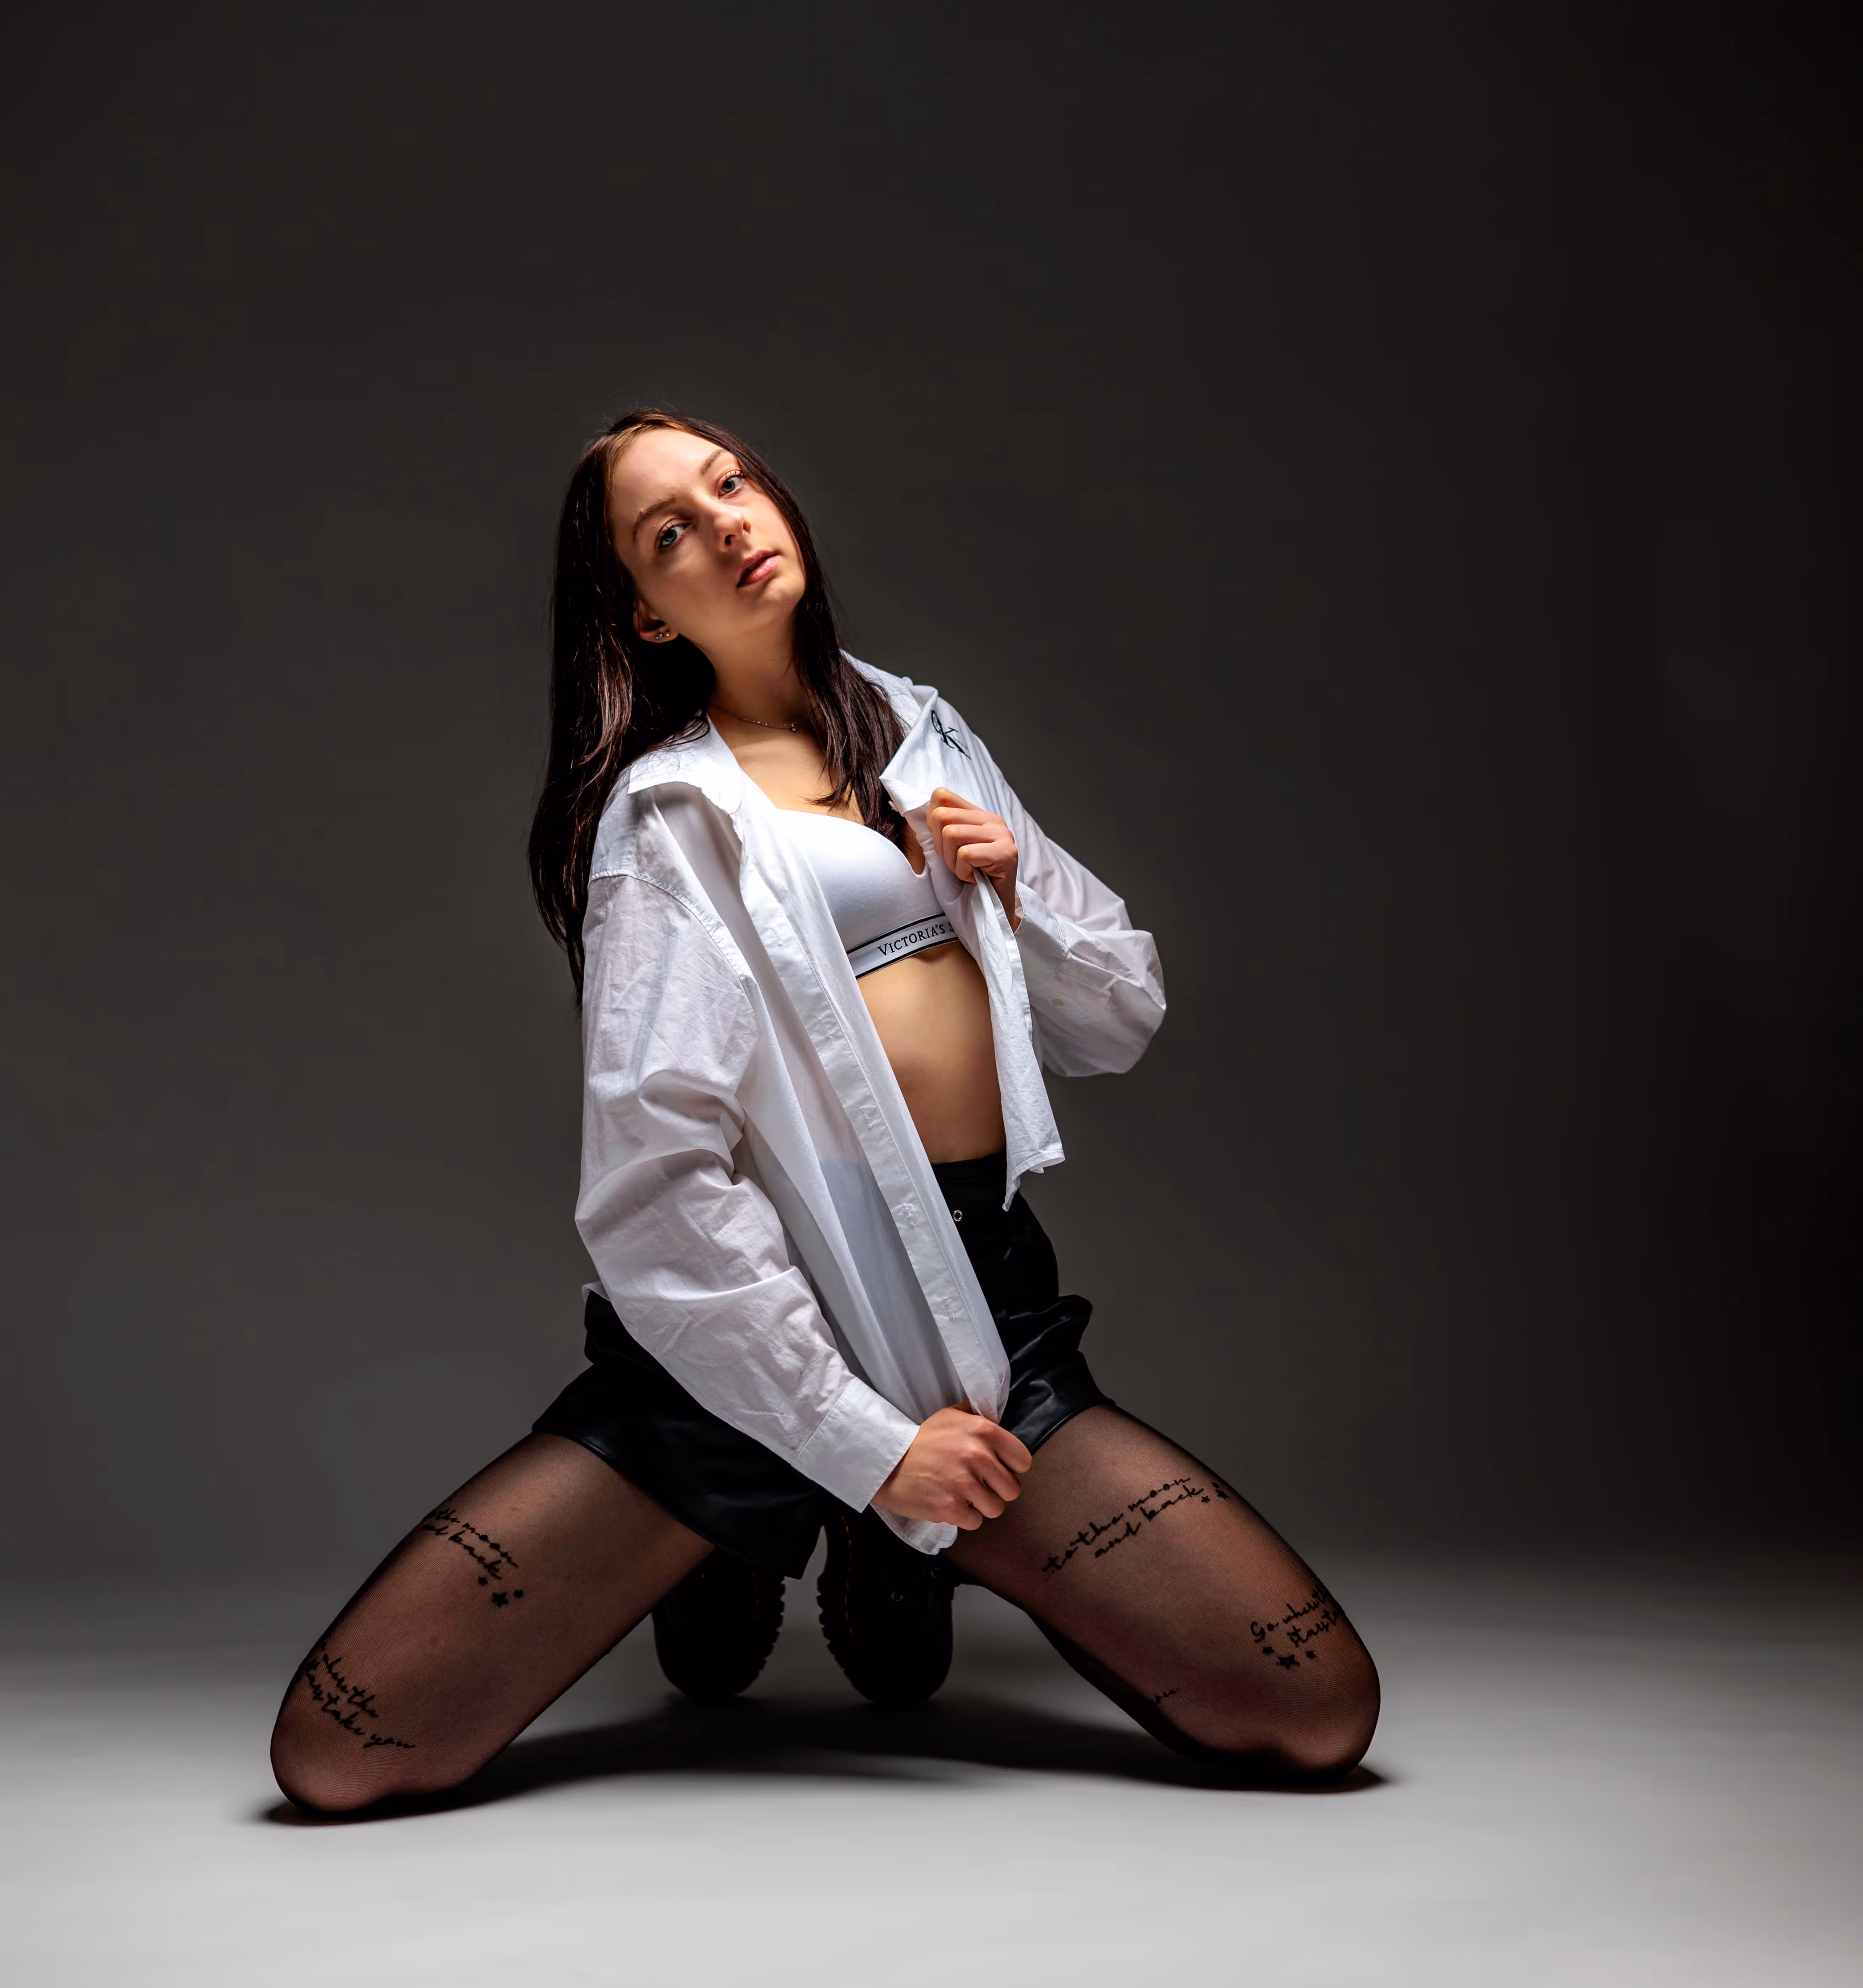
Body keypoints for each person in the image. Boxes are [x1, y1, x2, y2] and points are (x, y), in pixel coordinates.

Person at [270, 410, 1378, 1812]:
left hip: (975, 1307)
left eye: (729, 483)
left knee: (1312, 1705)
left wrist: (1018, 886)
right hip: (745, 1329)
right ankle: (761, 1514)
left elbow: (1118, 1016)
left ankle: (863, 1539)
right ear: (645, 612)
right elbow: (657, 1185)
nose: (725, 522)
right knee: (346, 1745)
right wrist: (868, 1445)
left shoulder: (919, 726)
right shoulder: (665, 822)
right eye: (669, 530)